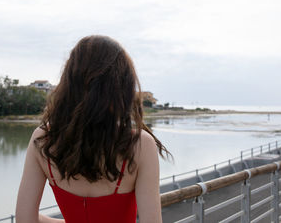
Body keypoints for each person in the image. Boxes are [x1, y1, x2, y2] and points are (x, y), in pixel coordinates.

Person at [16, 35, 171, 223]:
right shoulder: (140, 145)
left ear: (69, 82)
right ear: (122, 86)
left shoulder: (42, 138)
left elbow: (25, 219)